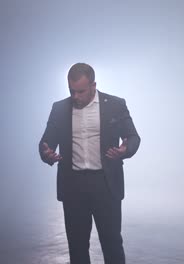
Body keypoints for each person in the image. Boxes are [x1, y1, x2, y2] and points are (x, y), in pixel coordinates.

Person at [39, 63, 140, 264]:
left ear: (93, 85)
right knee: (77, 248)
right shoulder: (59, 109)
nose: (75, 96)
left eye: (81, 91)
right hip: (73, 186)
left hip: (105, 184)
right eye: (71, 91)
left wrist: (124, 150)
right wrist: (47, 154)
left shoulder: (115, 105)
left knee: (111, 244)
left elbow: (133, 137)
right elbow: (45, 143)